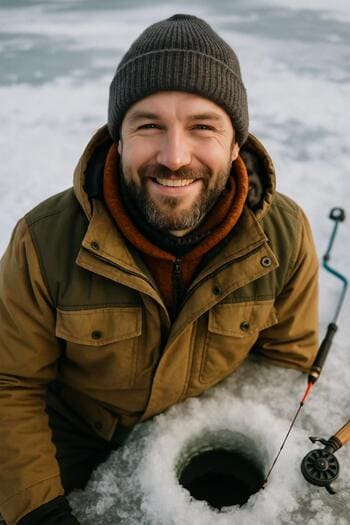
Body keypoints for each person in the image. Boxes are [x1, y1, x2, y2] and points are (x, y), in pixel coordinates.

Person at [0, 13, 319, 525]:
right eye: (149, 126)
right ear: (118, 138)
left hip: (192, 434)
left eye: (202, 127)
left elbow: (282, 367)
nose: (174, 157)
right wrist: (39, 510)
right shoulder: (42, 241)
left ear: (235, 144)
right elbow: (10, 383)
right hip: (70, 438)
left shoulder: (283, 236)